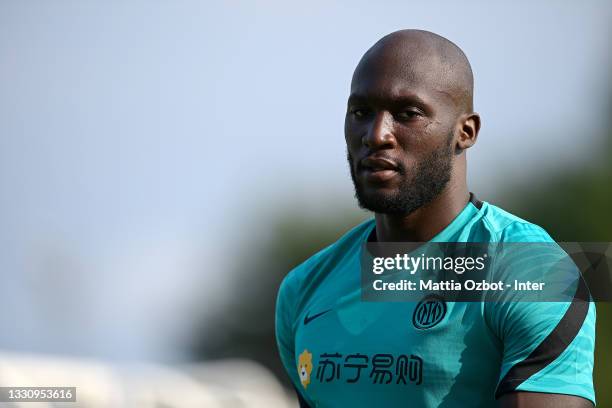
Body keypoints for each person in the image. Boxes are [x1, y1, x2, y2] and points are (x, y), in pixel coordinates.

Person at [275, 29, 595, 408]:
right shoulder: (304, 289)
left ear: (466, 132)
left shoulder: (532, 270)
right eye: (361, 113)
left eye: (407, 113)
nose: (377, 135)